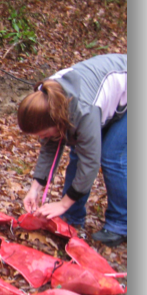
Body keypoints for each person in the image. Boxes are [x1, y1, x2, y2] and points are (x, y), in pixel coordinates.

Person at [17, 53, 127, 246]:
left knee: (111, 155)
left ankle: (120, 225)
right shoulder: (47, 98)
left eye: (42, 134)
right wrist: (35, 188)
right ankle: (73, 219)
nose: (42, 139)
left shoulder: (83, 111)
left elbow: (91, 162)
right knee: (78, 152)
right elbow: (50, 147)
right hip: (100, 101)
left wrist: (63, 203)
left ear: (56, 122)